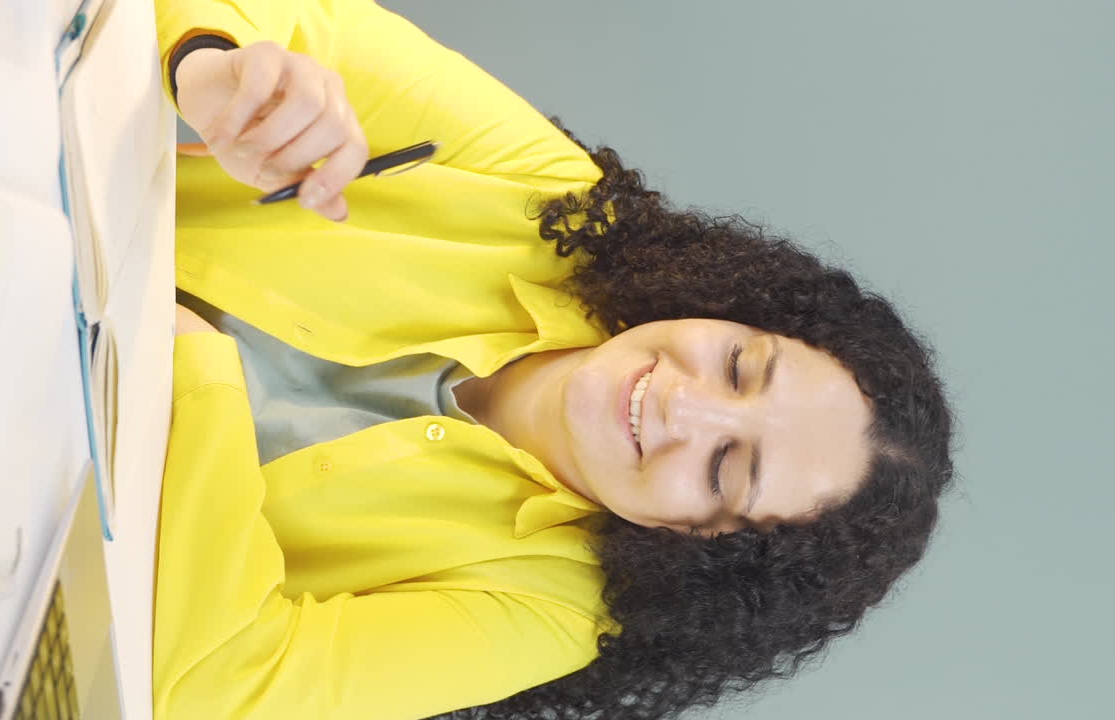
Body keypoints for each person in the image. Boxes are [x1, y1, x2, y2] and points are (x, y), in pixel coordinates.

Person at [153, 1, 955, 718]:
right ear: (743, 312)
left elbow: (213, 688)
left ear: (703, 546)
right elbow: (291, 22)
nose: (689, 407)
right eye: (741, 365)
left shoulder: (550, 612)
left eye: (725, 469)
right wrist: (216, 69)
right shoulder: (554, 198)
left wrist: (195, 369)